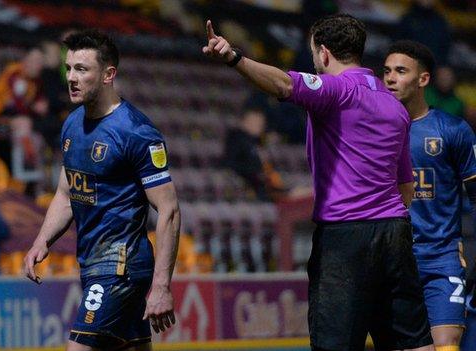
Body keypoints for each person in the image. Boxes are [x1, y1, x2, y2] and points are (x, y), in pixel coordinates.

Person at [203, 14, 433, 351]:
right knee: (412, 343)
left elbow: (283, 85)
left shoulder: (336, 89)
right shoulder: (394, 105)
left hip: (345, 237)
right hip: (395, 233)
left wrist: (234, 57)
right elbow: (405, 186)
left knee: (334, 344)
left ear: (323, 54)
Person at [23, 29, 180, 351]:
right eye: (68, 68)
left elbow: (169, 210)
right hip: (92, 262)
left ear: (108, 74)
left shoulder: (136, 132)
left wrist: (162, 285)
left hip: (120, 264)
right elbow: (67, 193)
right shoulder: (72, 124)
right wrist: (42, 239)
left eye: (82, 69)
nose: (71, 77)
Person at [383, 40, 476, 351]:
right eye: (387, 71)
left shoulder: (453, 130)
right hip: (393, 262)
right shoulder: (374, 130)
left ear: (423, 80)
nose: (391, 78)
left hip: (442, 259)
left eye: (400, 71)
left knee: (447, 345)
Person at [223, 107, 284, 201]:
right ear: (244, 122)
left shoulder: (256, 141)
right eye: (255, 122)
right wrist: (256, 174)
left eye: (261, 123)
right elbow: (231, 164)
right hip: (248, 186)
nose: (260, 126)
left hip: (262, 186)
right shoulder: (236, 139)